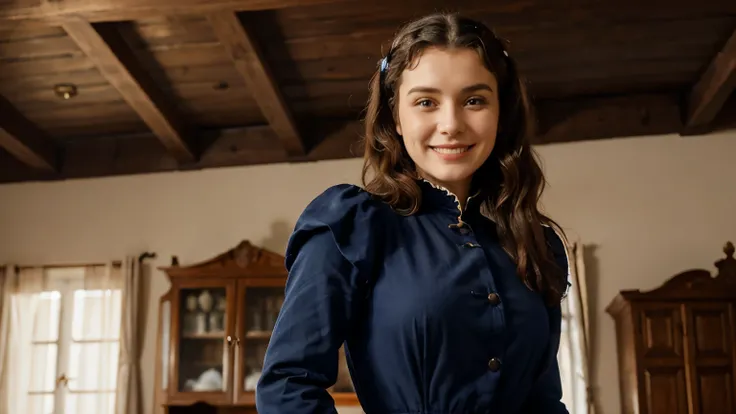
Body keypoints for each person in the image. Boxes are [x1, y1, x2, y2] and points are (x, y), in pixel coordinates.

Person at [256, 12, 571, 414]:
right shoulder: (352, 226)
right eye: (426, 102)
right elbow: (287, 388)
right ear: (396, 118)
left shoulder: (535, 243)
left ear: (501, 113)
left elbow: (544, 401)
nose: (451, 124)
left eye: (474, 100)